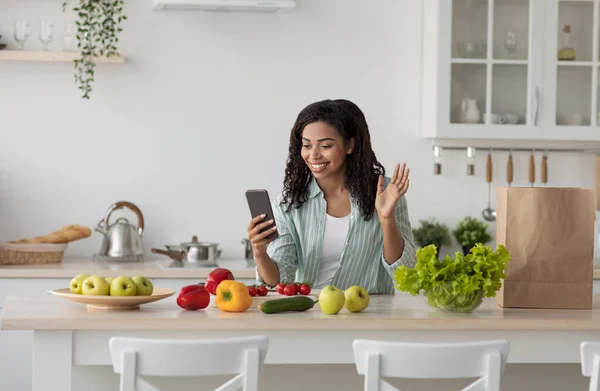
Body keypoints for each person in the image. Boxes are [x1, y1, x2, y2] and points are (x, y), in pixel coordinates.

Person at [247, 99, 416, 294]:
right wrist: (259, 253)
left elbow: (404, 270)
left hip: (369, 313)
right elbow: (279, 279)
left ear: (350, 145)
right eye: (306, 145)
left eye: (325, 146)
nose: (313, 155)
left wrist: (387, 219)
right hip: (311, 313)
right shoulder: (291, 201)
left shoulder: (384, 191)